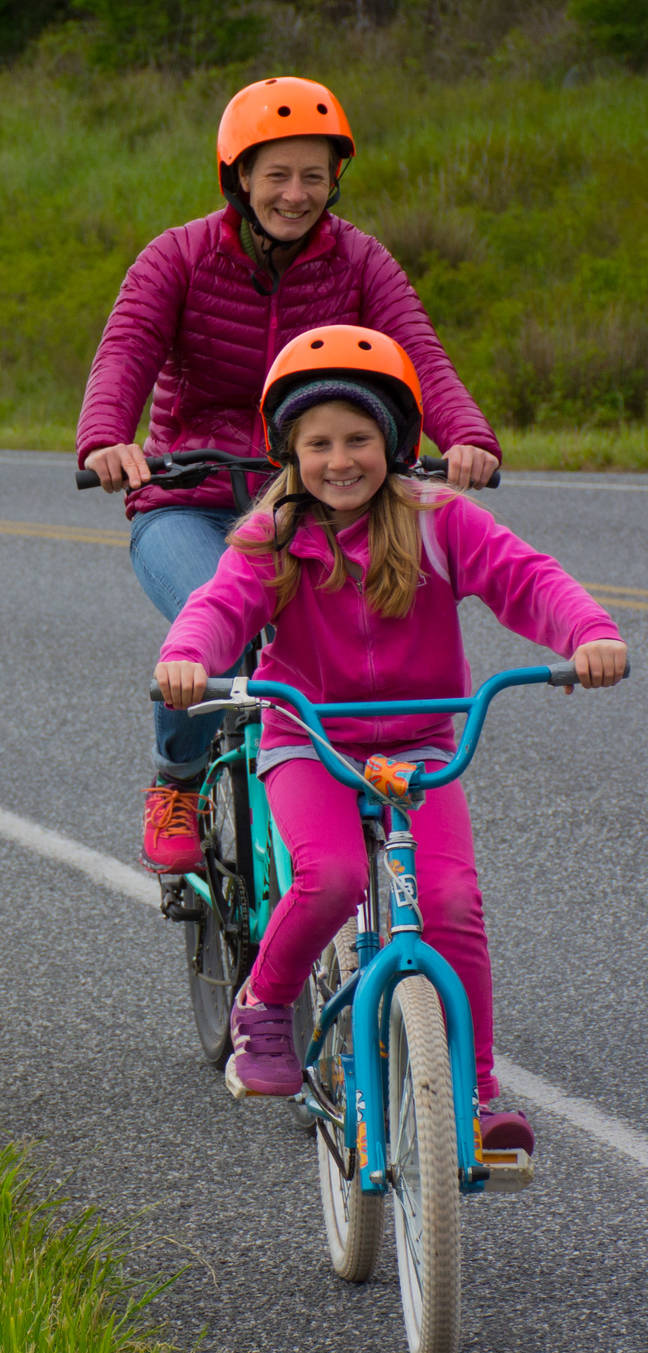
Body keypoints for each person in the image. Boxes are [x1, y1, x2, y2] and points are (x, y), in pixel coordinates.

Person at [155, 325, 627, 1151]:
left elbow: (526, 578)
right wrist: (188, 654)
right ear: (289, 452)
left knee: (451, 902)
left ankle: (474, 1094)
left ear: (395, 441)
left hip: (419, 744)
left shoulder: (439, 521)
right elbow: (220, 604)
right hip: (309, 739)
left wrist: (586, 631)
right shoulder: (273, 535)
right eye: (318, 444)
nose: (340, 460)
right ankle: (265, 1001)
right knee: (332, 876)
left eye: (359, 440)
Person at [76, 76, 502, 876]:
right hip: (190, 497)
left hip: (317, 497)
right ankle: (177, 780)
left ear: (335, 178)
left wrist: (469, 436)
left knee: (344, 641)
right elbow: (126, 348)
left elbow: (418, 352)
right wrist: (106, 440)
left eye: (313, 175)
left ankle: (326, 801)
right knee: (221, 628)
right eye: (276, 175)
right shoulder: (179, 257)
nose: (295, 194)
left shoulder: (360, 261)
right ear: (239, 177)